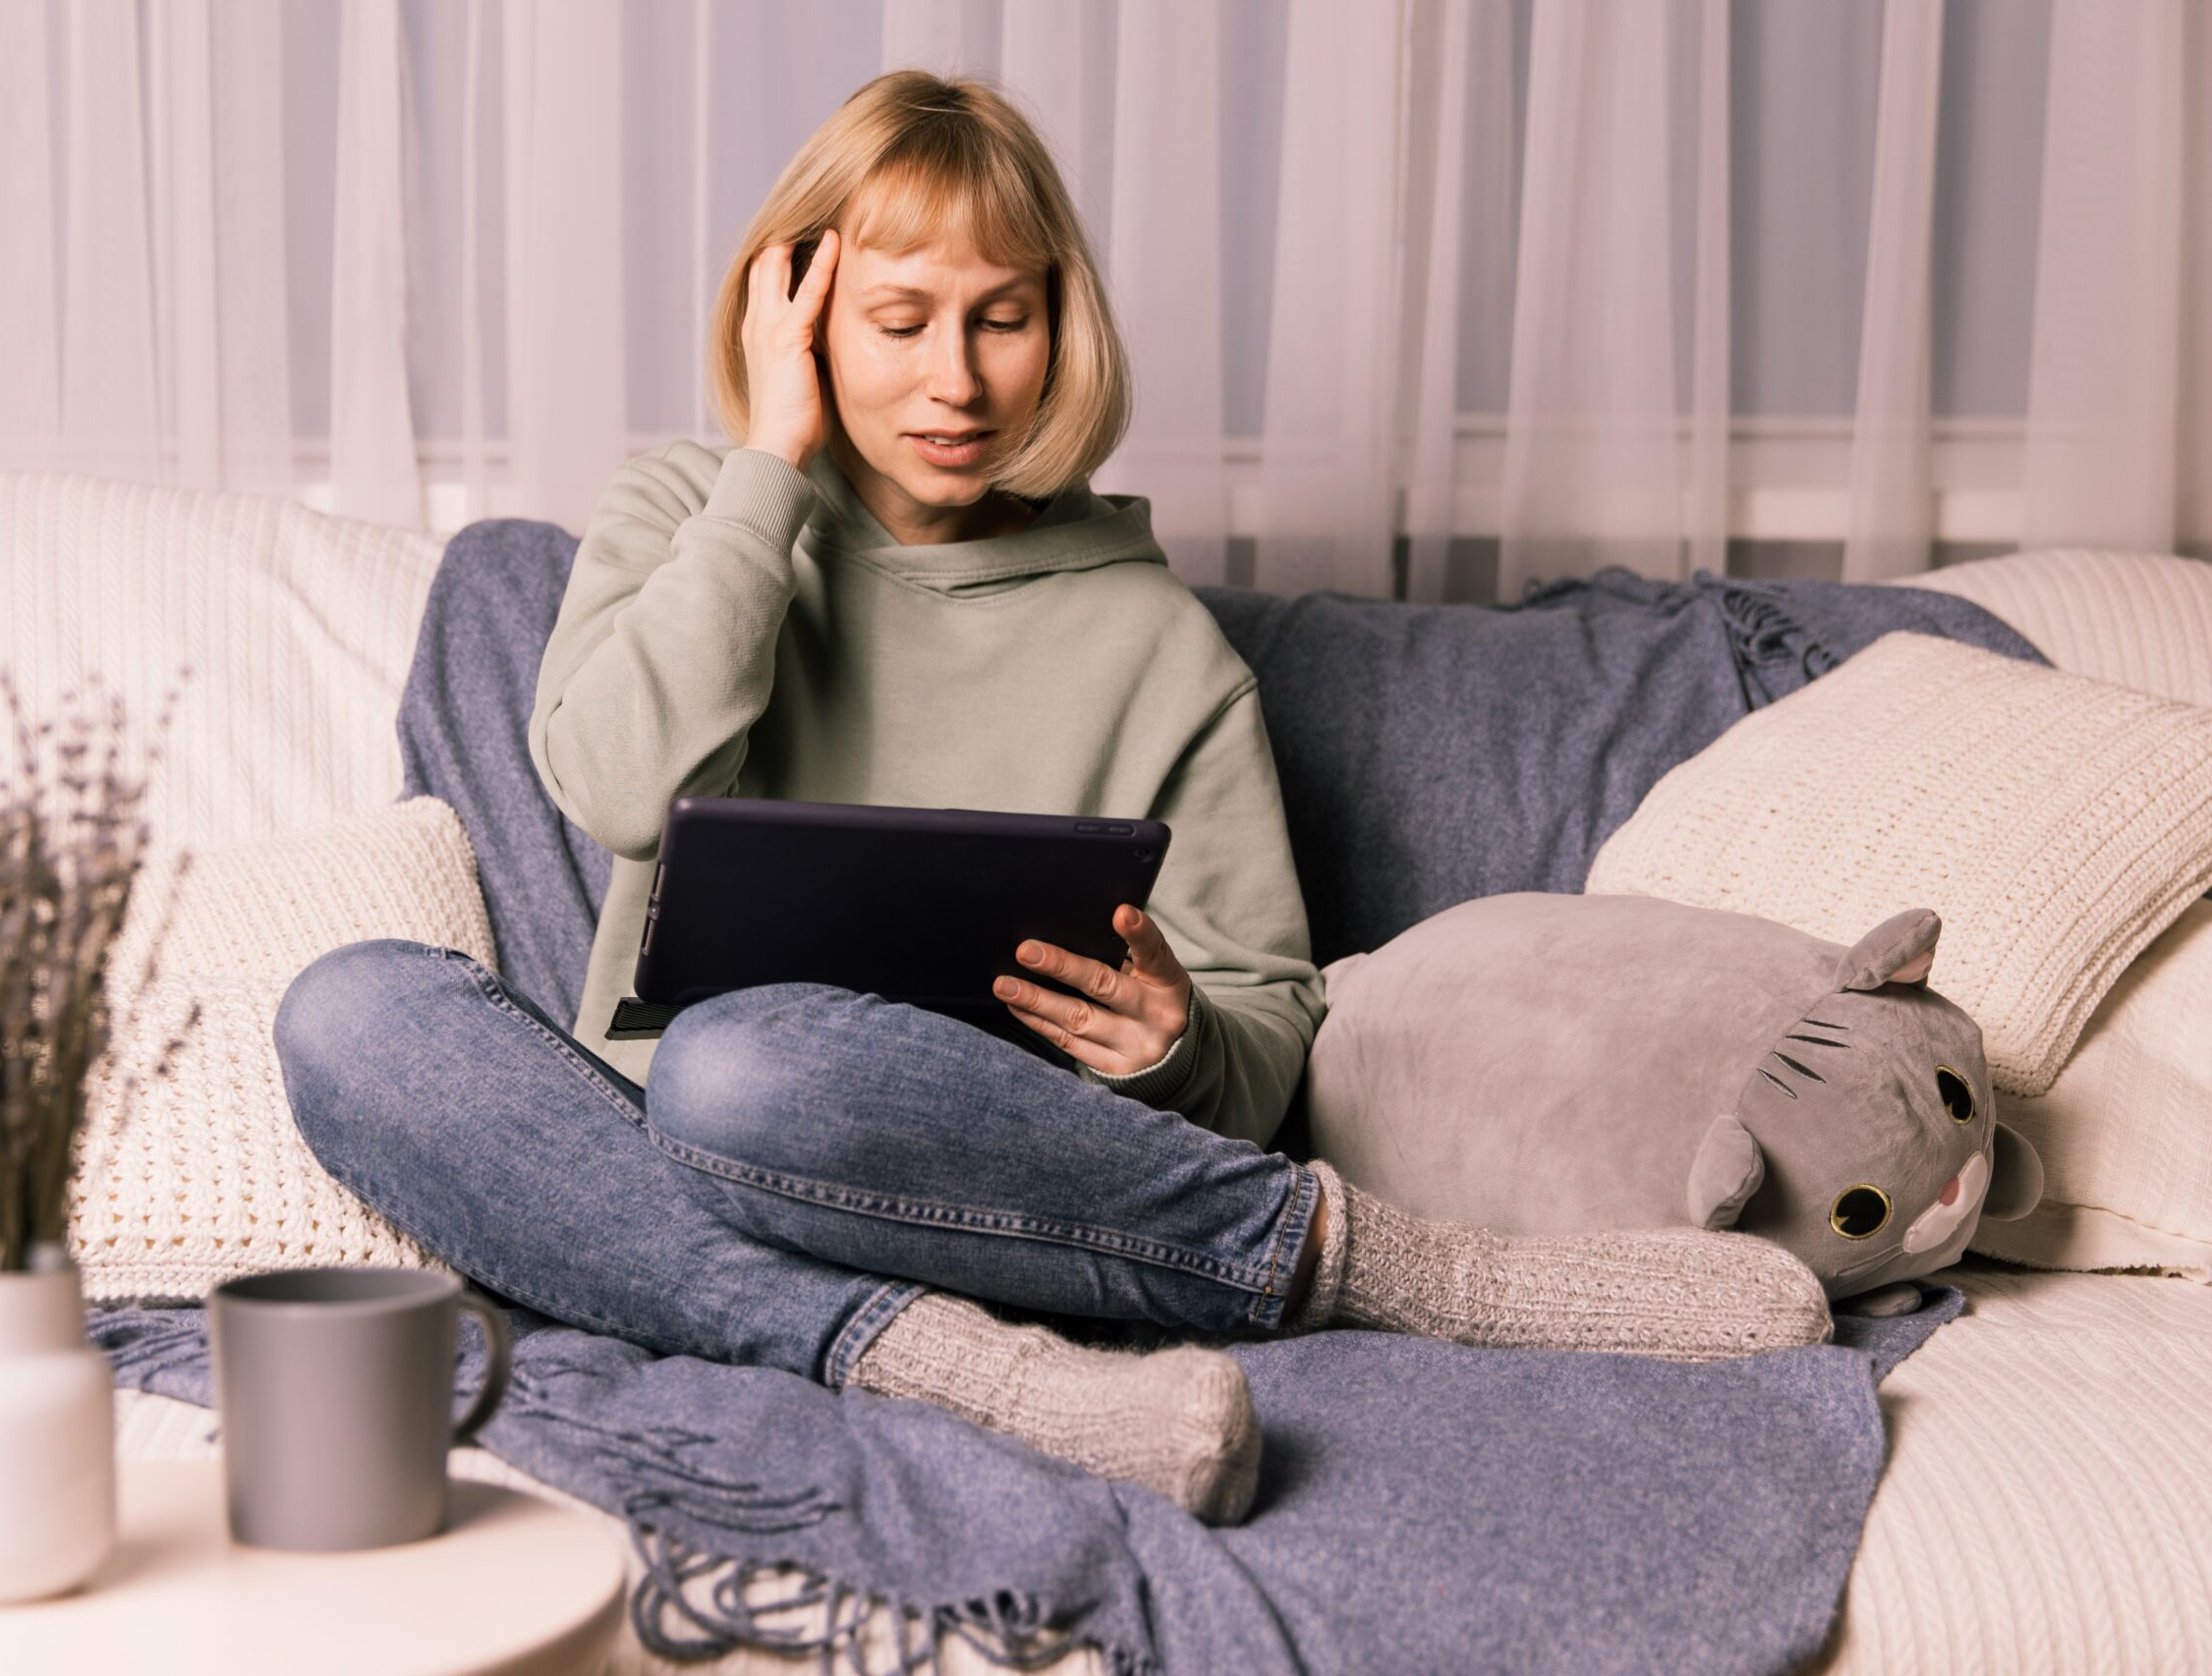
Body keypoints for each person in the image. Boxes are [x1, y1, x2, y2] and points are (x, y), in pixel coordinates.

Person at [274, 70, 1830, 1528]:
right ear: (796, 314)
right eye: (897, 320)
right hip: (655, 1161)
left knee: (745, 1061)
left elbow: (1269, 1027)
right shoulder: (690, 516)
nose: (955, 379)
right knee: (351, 1011)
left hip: (972, 1174)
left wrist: (1178, 1039)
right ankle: (960, 1366)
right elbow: (621, 786)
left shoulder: (1154, 645)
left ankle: (1396, 1267)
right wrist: (765, 472)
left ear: (1057, 329)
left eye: (1000, 320)